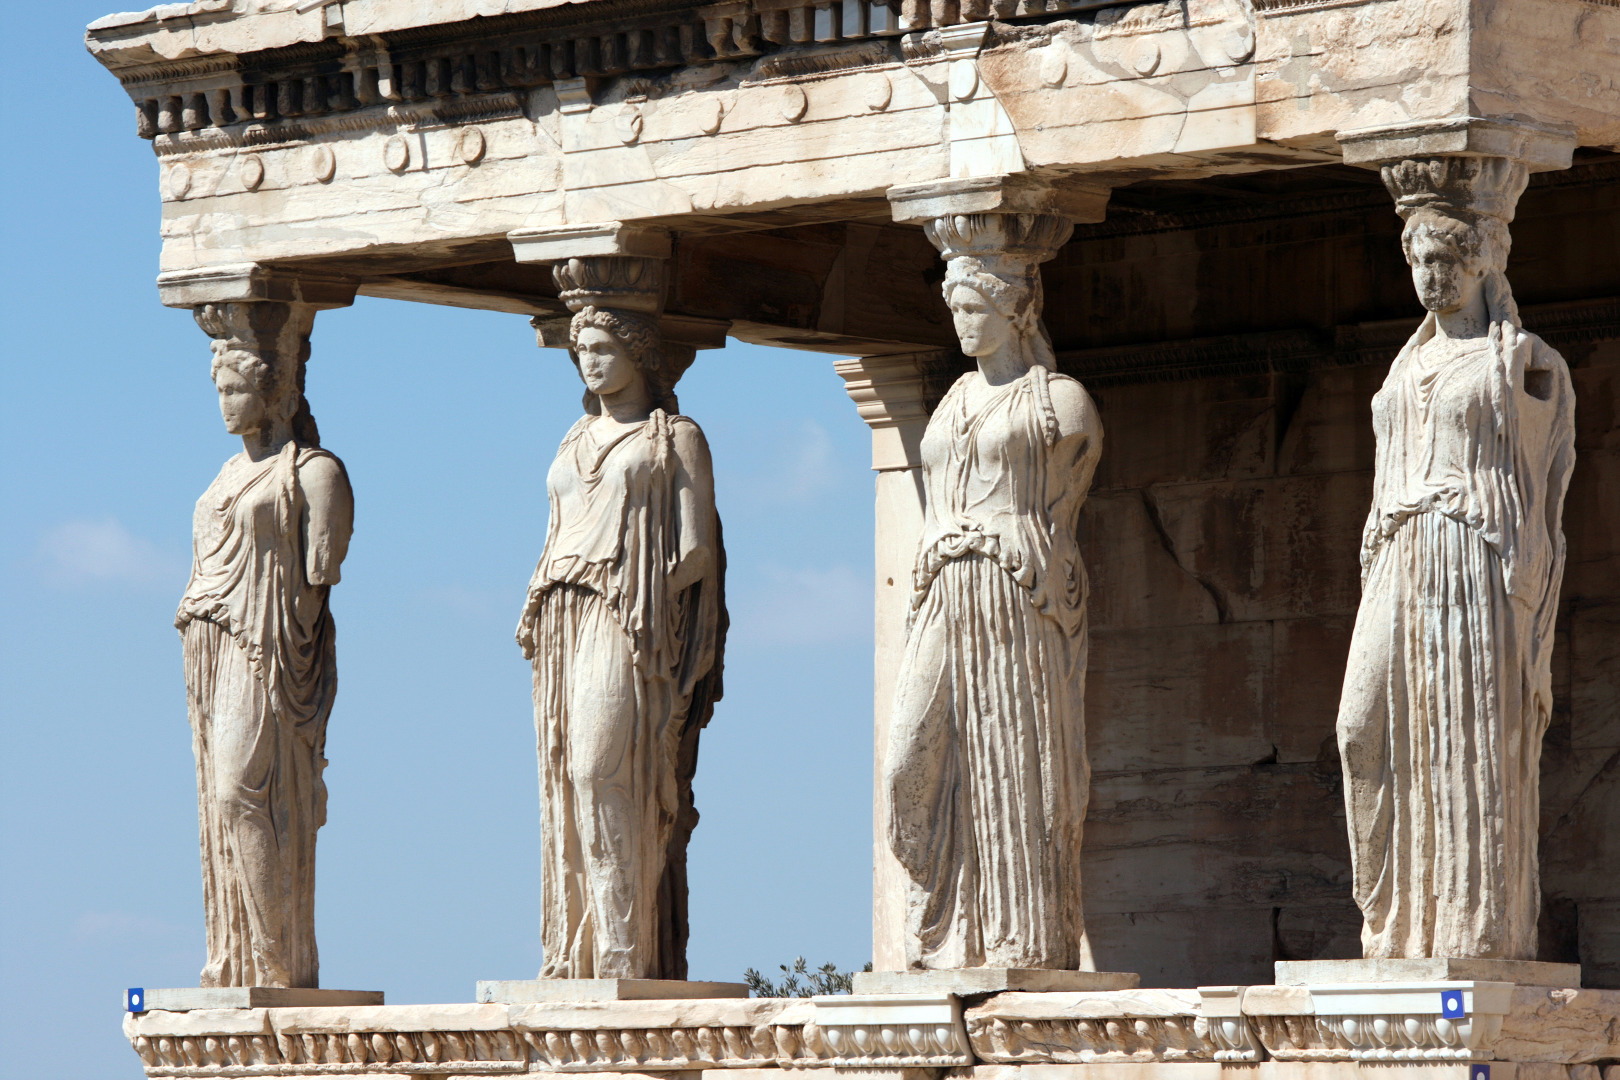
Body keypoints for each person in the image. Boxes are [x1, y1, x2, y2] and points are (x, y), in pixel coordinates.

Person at [1337, 158, 1575, 960]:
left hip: (1473, 558)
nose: (1431, 277)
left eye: (1446, 261)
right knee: (1358, 728)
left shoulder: (1521, 362)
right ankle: (1392, 920)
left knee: (1468, 737)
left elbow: (1545, 474)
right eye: (1419, 263)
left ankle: (1470, 928)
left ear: (1484, 265)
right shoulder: (1404, 365)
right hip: (1401, 553)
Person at [885, 213, 1103, 970]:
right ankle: (943, 930)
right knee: (911, 758)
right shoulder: (949, 403)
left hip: (1018, 593)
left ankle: (1024, 937)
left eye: (974, 307)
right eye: (954, 309)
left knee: (1016, 757)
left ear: (1015, 308)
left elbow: (1061, 515)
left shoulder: (1062, 405)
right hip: (946, 588)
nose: (962, 322)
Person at [517, 305, 724, 979]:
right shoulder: (572, 436)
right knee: (564, 784)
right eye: (583, 350)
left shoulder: (676, 438)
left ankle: (623, 953)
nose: (591, 361)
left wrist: (649, 594)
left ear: (641, 354)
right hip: (560, 614)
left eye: (605, 347)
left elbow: (696, 549)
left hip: (627, 613)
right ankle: (575, 952)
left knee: (600, 771)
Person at [178, 302, 353, 988]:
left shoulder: (315, 473)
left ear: (275, 390)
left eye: (234, 388)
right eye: (218, 389)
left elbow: (321, 570)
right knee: (218, 801)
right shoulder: (224, 475)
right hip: (210, 642)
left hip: (269, 646)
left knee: (243, 790)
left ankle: (278, 958)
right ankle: (242, 955)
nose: (223, 402)